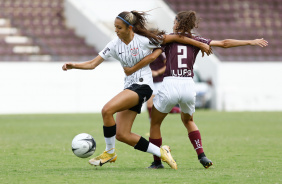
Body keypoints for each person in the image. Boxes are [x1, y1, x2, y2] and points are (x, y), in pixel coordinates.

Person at [62, 10, 212, 170]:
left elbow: (176, 37)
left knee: (107, 110)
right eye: (115, 27)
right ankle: (162, 152)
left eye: (119, 27)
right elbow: (92, 64)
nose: (116, 30)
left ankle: (109, 152)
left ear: (130, 28)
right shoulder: (114, 45)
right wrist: (74, 66)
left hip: (143, 86)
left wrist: (201, 44)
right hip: (130, 87)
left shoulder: (144, 40)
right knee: (122, 134)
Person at [123, 10, 268, 169]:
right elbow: (225, 43)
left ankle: (157, 162)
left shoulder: (167, 39)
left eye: (175, 21)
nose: (173, 23)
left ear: (178, 23)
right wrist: (251, 41)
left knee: (155, 123)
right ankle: (202, 155)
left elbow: (151, 49)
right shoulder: (198, 39)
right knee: (189, 121)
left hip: (170, 83)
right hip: (188, 85)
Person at [147, 53, 180, 120]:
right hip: (151, 81)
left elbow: (169, 65)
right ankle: (152, 124)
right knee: (149, 103)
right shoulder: (146, 50)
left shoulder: (159, 51)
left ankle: (180, 111)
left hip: (161, 80)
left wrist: (158, 72)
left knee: (162, 104)